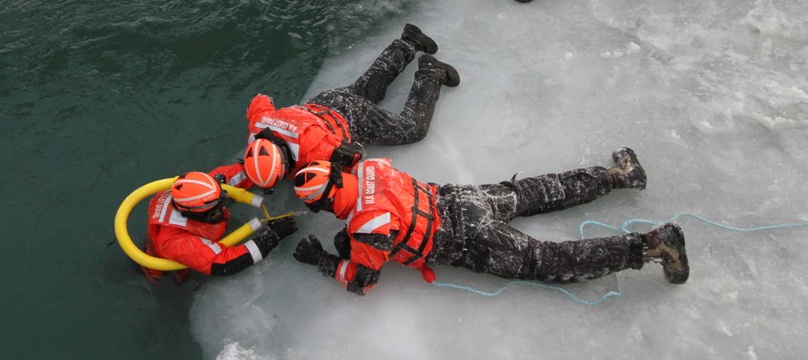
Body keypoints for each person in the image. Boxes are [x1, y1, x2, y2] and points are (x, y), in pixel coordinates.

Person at [290, 148, 689, 295]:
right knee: (533, 192)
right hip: (462, 200)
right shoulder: (370, 168)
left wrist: (322, 261)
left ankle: (652, 244)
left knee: (547, 261)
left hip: (467, 240)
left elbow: (363, 280)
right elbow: (351, 153)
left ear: (322, 205)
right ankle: (617, 175)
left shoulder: (366, 230)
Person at [241, 23, 460, 190]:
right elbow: (260, 101)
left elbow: (354, 155)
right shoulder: (259, 124)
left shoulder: (314, 150)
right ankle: (409, 41)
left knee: (413, 129)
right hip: (325, 102)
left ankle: (431, 73)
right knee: (367, 90)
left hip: (348, 116)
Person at [141, 162, 298, 283]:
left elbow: (242, 172)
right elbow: (224, 264)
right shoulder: (177, 241)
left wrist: (271, 166)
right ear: (193, 213)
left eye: (220, 202)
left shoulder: (203, 189)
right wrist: (271, 236)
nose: (221, 209)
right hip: (169, 273)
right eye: (215, 208)